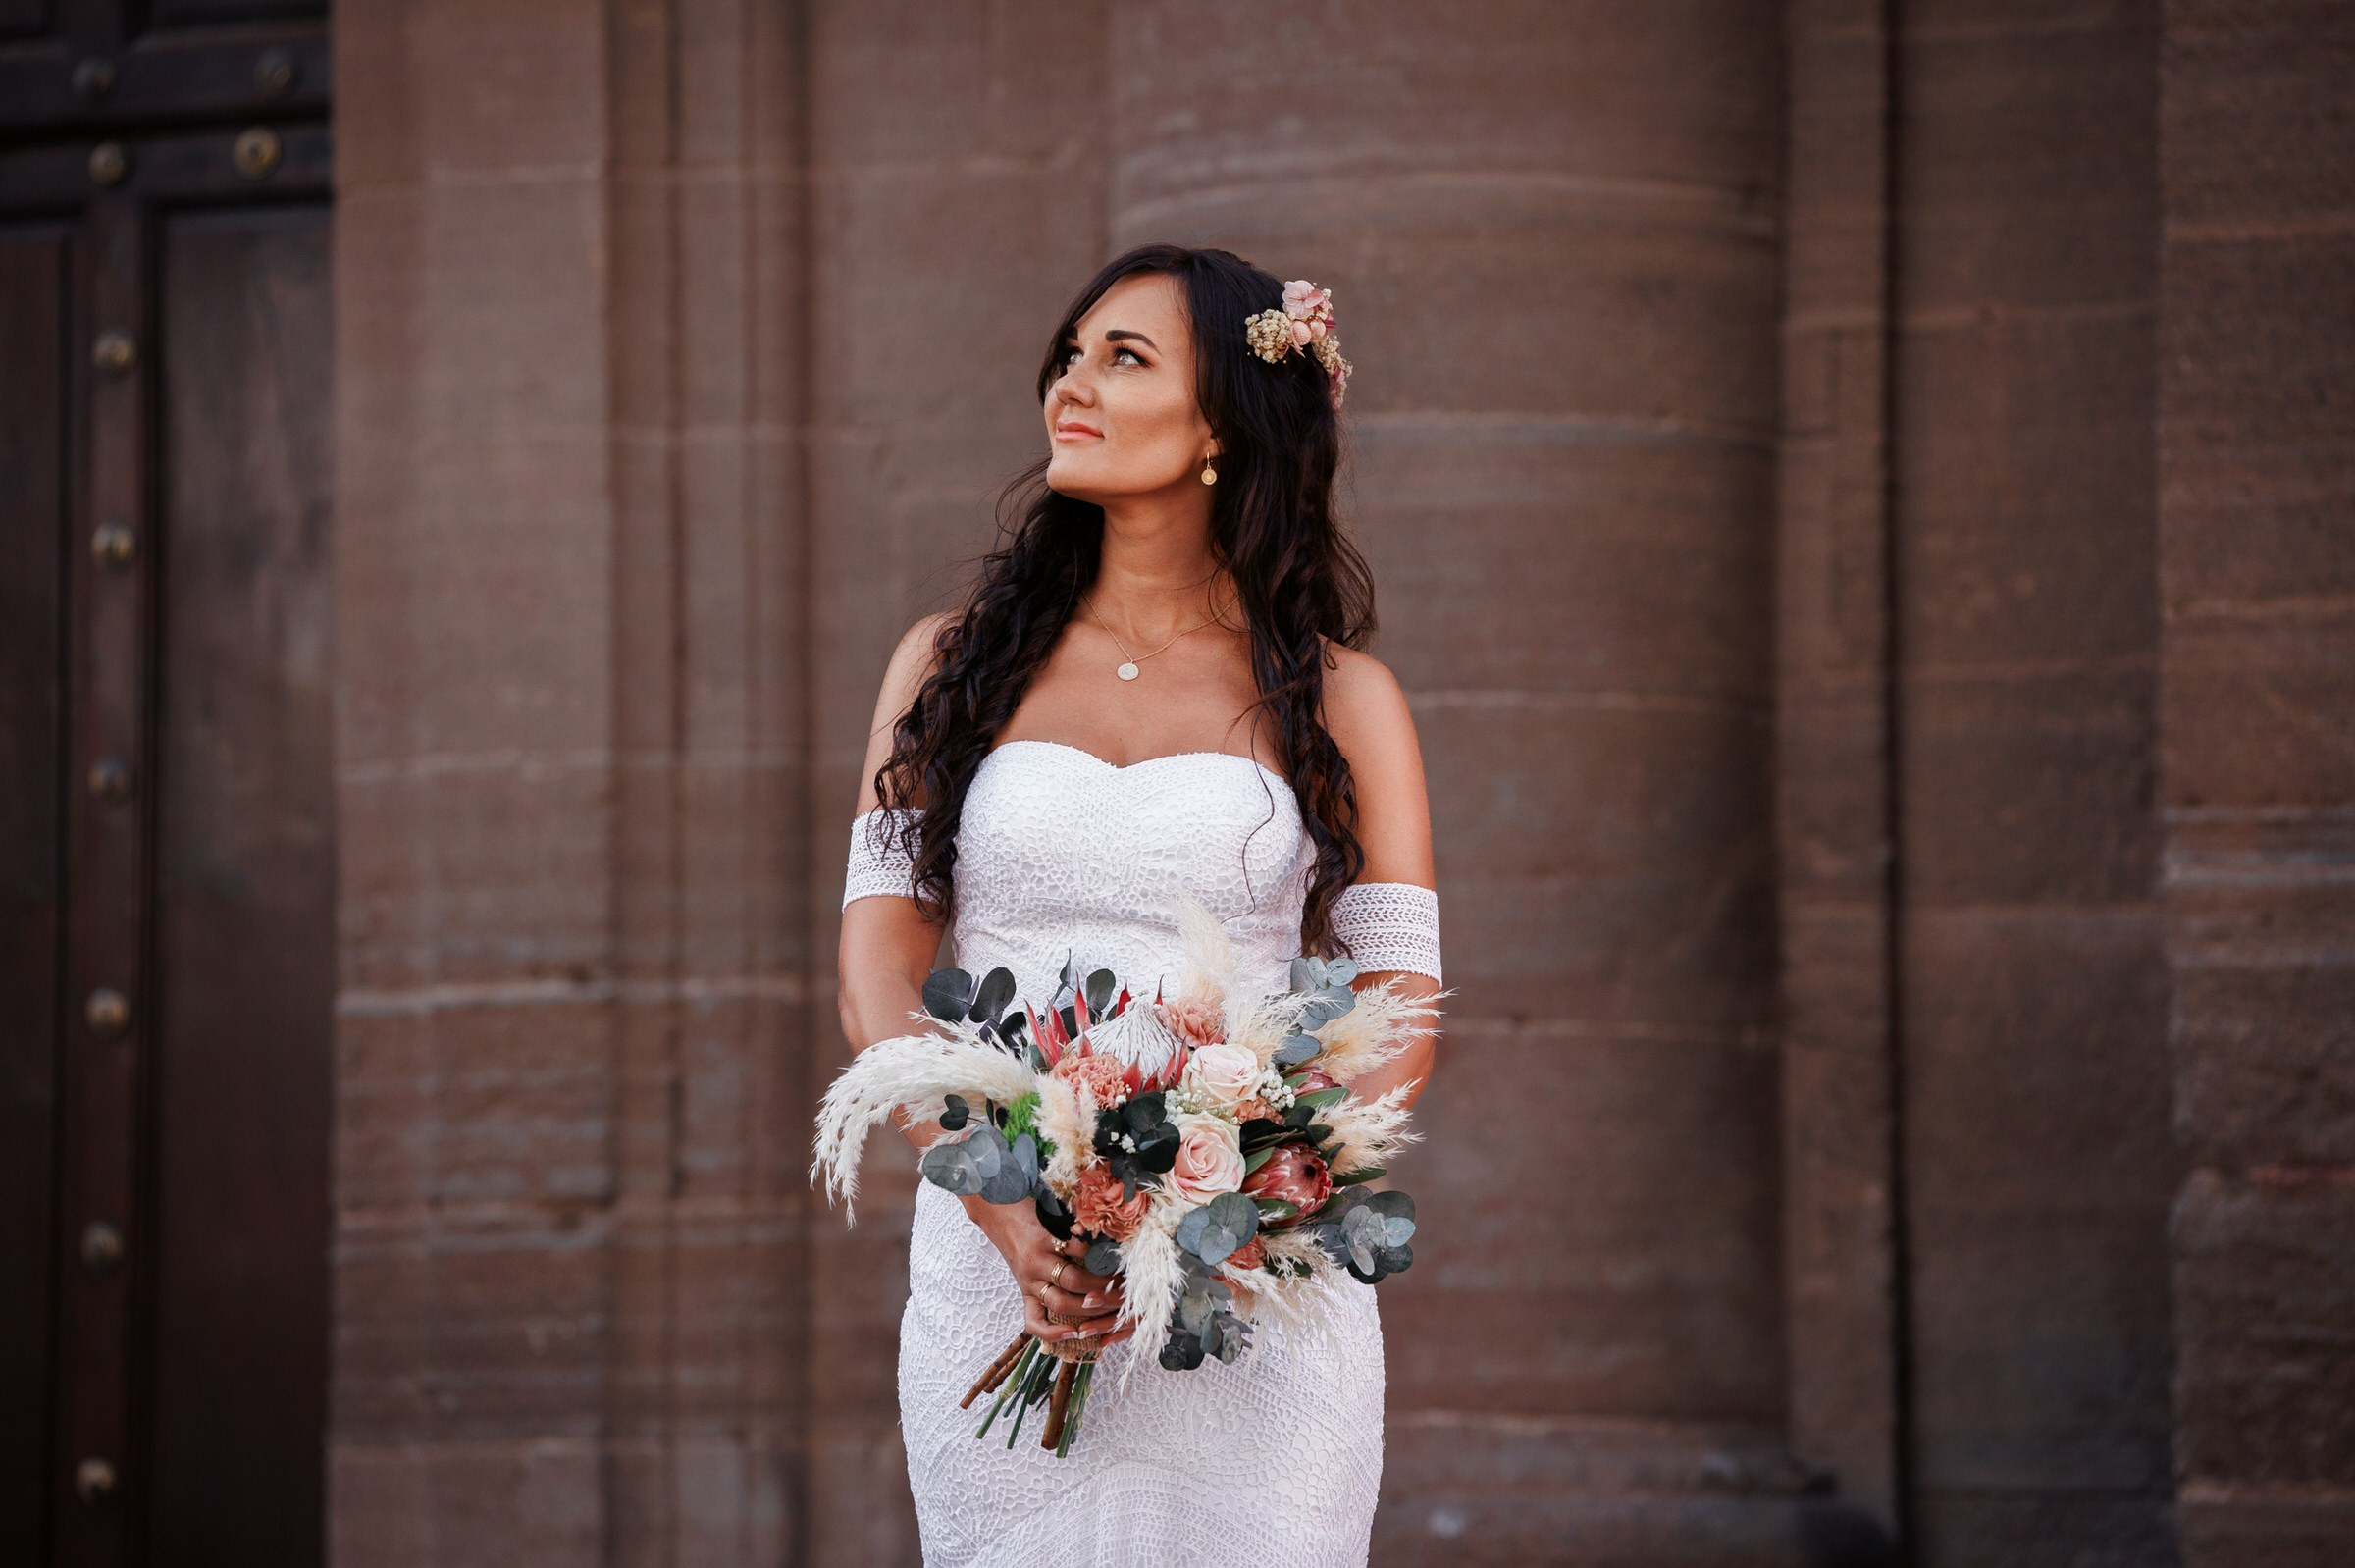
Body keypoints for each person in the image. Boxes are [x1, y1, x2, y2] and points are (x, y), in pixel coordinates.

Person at [834, 242, 1444, 1567]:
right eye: (1071, 352)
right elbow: (880, 953)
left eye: (1124, 358)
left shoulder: (1344, 698)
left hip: (1249, 1284)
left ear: (1223, 418)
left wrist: (1246, 1190)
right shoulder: (947, 666)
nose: (1073, 382)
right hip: (999, 1271)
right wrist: (1000, 1196)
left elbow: (1400, 998)